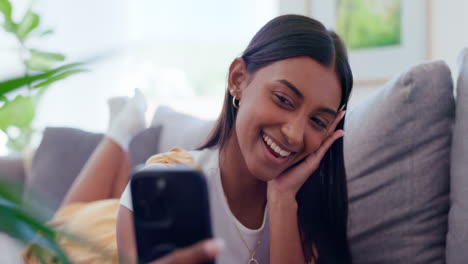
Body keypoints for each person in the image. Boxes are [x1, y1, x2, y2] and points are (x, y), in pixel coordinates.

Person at [24, 14, 353, 264]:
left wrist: (282, 201)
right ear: (238, 80)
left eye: (317, 120)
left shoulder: (309, 211)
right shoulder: (168, 174)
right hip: (95, 243)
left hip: (120, 217)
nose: (295, 134)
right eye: (283, 99)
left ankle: (123, 130)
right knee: (65, 221)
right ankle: (121, 130)